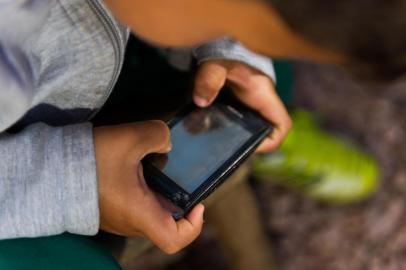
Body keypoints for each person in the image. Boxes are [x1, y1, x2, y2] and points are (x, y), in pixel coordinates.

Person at [1, 0, 404, 267]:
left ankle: (244, 142)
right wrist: (71, 181)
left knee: (253, 84)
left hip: (106, 52)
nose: (236, 38)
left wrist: (232, 48)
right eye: (232, 26)